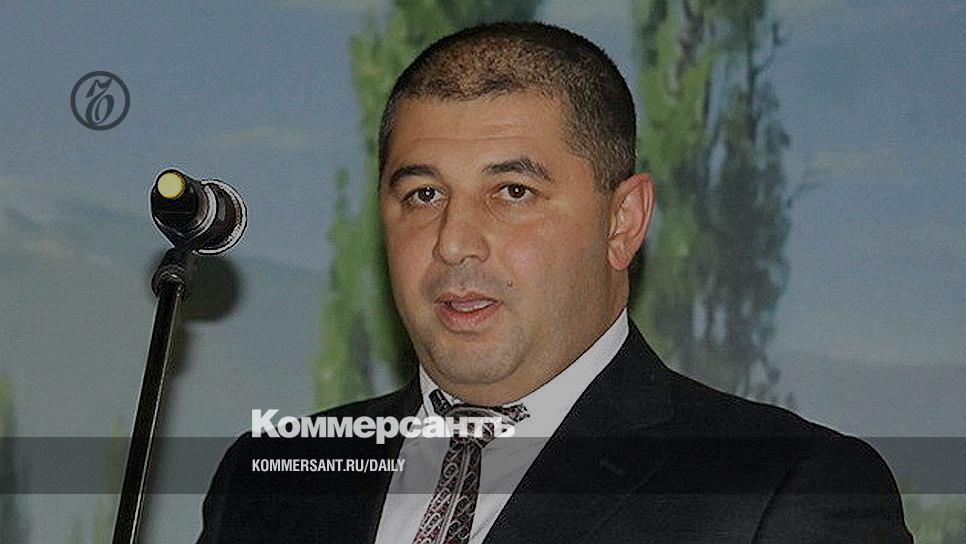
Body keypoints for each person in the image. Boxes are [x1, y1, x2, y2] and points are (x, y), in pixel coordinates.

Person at [197, 22, 912, 543]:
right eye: (423, 194)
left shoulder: (783, 492)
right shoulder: (267, 479)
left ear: (623, 221)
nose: (453, 241)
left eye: (512, 192)